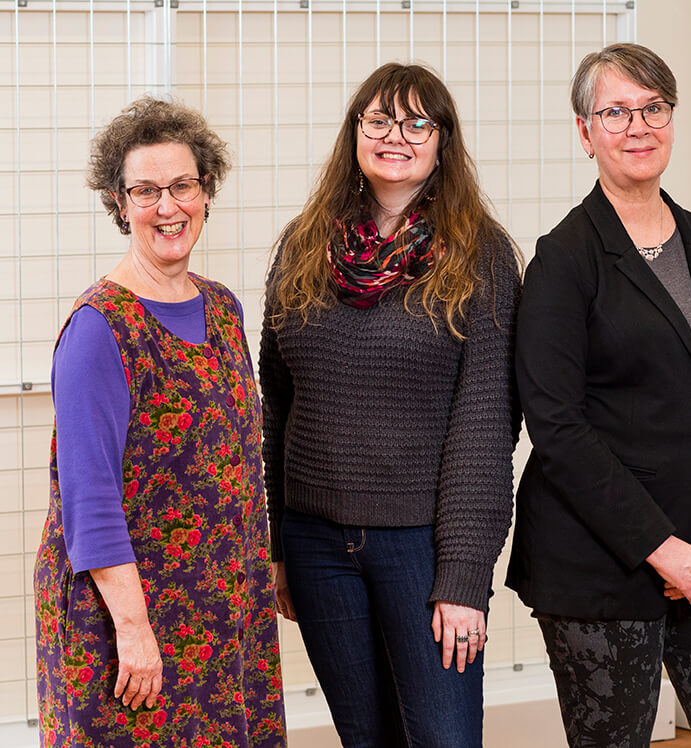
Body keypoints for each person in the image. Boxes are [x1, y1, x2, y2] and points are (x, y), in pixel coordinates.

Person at [507, 43, 691, 747]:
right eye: (616, 112)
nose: (638, 126)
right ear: (585, 132)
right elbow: (558, 426)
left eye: (653, 107)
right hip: (601, 565)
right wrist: (664, 549)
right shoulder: (563, 259)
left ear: (672, 118)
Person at [260, 62, 519, 747]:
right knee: (366, 738)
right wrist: (279, 544)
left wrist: (464, 578)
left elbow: (486, 428)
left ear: (442, 140)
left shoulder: (482, 255)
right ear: (355, 133)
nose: (394, 136)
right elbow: (277, 406)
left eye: (415, 122)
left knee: (443, 738)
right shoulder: (302, 247)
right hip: (315, 545)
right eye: (377, 120)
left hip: (424, 551)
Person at [33, 97, 286, 746]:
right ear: (119, 204)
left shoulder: (224, 309)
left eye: (182, 185)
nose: (167, 207)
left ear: (206, 189)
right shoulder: (100, 329)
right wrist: (133, 629)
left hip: (222, 610)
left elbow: (239, 462)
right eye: (146, 191)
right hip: (131, 616)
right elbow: (89, 499)